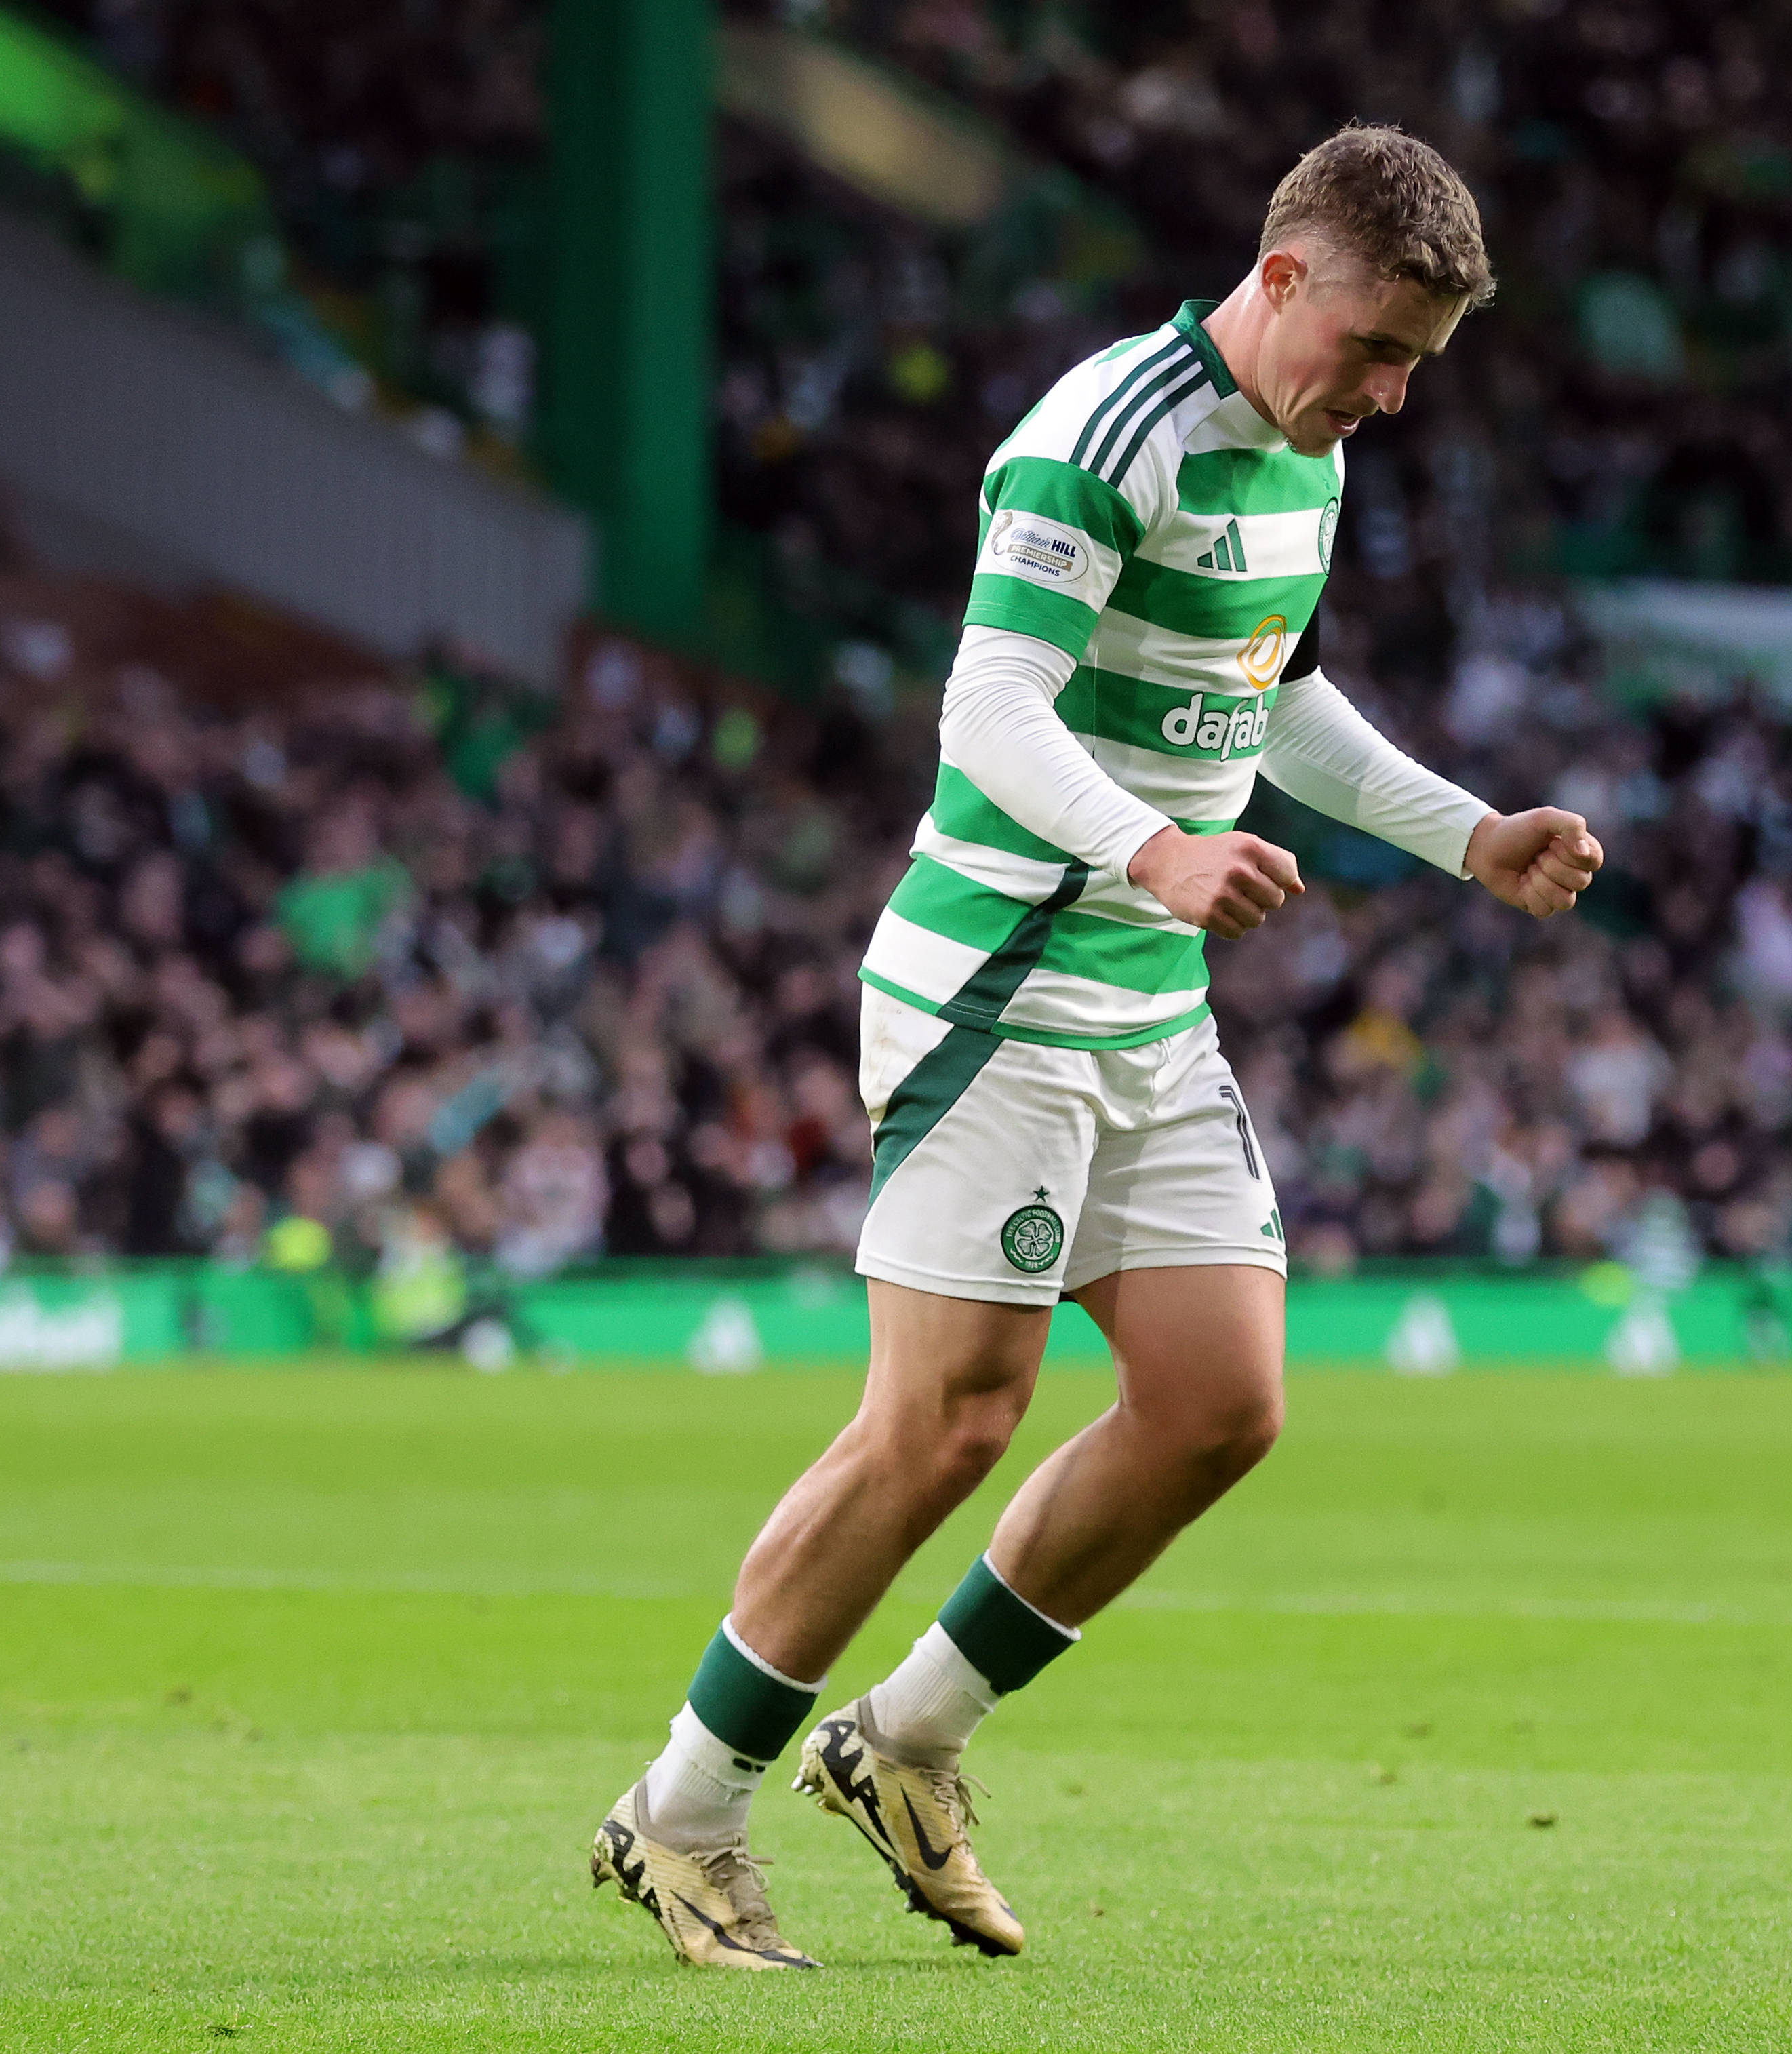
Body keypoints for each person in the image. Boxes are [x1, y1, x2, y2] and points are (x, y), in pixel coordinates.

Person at [587, 125, 1604, 1971]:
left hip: (1146, 999)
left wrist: (1468, 832)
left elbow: (1271, 692)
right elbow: (991, 697)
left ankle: (903, 1743)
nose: (1387, 395)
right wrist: (1152, 844)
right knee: (943, 1419)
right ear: (1284, 273)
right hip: (1002, 983)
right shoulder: (1106, 430)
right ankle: (682, 1807)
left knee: (1221, 1403)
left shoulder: (1302, 460)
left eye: (1418, 370)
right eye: (1377, 348)